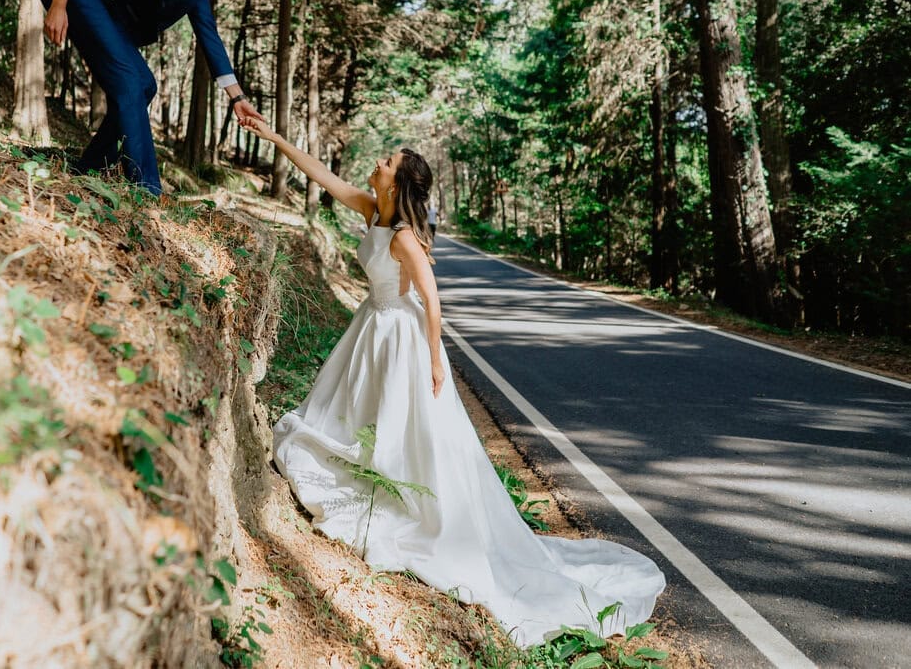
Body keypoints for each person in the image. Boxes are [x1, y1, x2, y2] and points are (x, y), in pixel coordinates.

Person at [241, 116, 665, 647]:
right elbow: (322, 174)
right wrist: (276, 138)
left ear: (395, 183)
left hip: (400, 335)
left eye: (387, 161)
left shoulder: (403, 238)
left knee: (406, 425)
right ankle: (369, 470)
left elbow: (432, 298)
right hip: (372, 327)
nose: (378, 163)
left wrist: (436, 359)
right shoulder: (373, 210)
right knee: (359, 412)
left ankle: (401, 495)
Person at [34, 0, 266, 197]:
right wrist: (59, 3)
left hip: (106, 9)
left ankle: (87, 168)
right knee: (130, 83)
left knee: (145, 85)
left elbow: (205, 25)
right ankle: (147, 191)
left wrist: (236, 97)